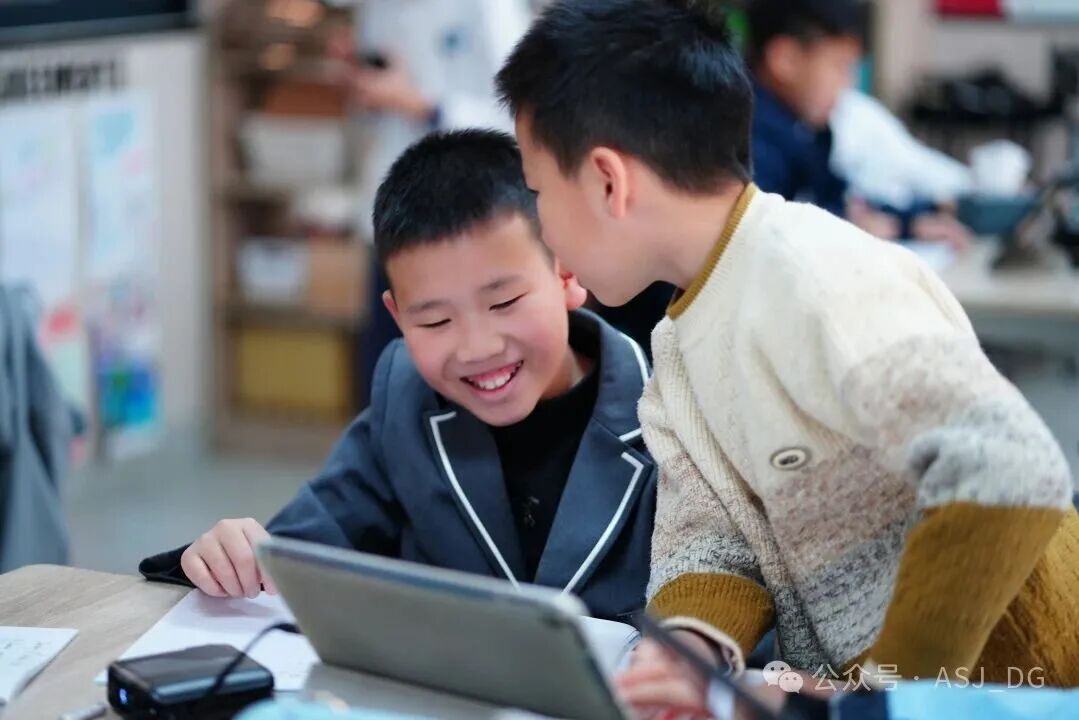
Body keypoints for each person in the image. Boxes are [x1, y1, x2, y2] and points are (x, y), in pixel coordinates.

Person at [496, 0, 1079, 714]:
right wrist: (688, 651)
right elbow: (711, 542)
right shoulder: (677, 345)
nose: (542, 231)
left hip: (1013, 687)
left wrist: (878, 691)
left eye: (537, 193)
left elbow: (1008, 469)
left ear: (608, 182)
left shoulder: (815, 276)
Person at [140, 130, 657, 622]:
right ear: (399, 318)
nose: (477, 348)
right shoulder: (407, 396)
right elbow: (301, 550)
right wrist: (226, 559)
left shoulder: (668, 411)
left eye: (504, 302)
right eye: (434, 322)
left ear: (567, 274)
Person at [324, 0, 533, 391]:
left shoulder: (491, 8)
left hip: (470, 212)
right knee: (389, 369)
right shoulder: (377, 9)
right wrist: (361, 83)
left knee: (465, 367)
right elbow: (377, 109)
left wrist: (421, 104)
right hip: (394, 209)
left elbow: (519, 114)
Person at [746, 0, 971, 248]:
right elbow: (769, 238)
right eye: (840, 66)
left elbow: (837, 204)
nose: (848, 84)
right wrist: (851, 227)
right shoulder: (748, 139)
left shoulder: (803, 132)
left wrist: (909, 222)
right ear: (785, 60)